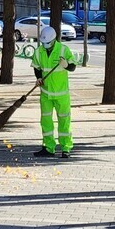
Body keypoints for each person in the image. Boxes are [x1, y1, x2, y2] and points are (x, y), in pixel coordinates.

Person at [31, 25, 78, 159]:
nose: (46, 45)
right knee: (46, 121)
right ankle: (48, 147)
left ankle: (66, 148)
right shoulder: (39, 51)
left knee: (64, 121)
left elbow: (73, 67)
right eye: (44, 43)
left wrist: (66, 65)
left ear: (54, 40)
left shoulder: (63, 50)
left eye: (48, 43)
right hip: (46, 93)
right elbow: (37, 67)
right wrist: (38, 78)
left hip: (61, 94)